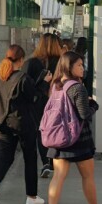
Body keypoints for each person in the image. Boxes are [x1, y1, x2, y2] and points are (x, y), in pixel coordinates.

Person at [44, 51, 102, 204]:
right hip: (79, 139)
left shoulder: (56, 85)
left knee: (58, 176)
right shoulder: (77, 88)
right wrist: (93, 105)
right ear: (70, 67)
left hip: (59, 137)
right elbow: (84, 114)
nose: (83, 68)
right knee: (88, 176)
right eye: (79, 65)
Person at [0, 45, 46, 204]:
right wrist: (44, 84)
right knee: (30, 158)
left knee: (6, 157)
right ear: (20, 60)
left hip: (2, 123)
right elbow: (34, 97)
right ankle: (31, 196)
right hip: (23, 124)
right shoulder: (22, 78)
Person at [25, 33, 64, 177]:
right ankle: (55, 160)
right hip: (58, 102)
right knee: (56, 131)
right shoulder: (62, 62)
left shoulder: (33, 62)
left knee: (41, 132)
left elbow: (27, 84)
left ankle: (46, 161)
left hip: (39, 102)